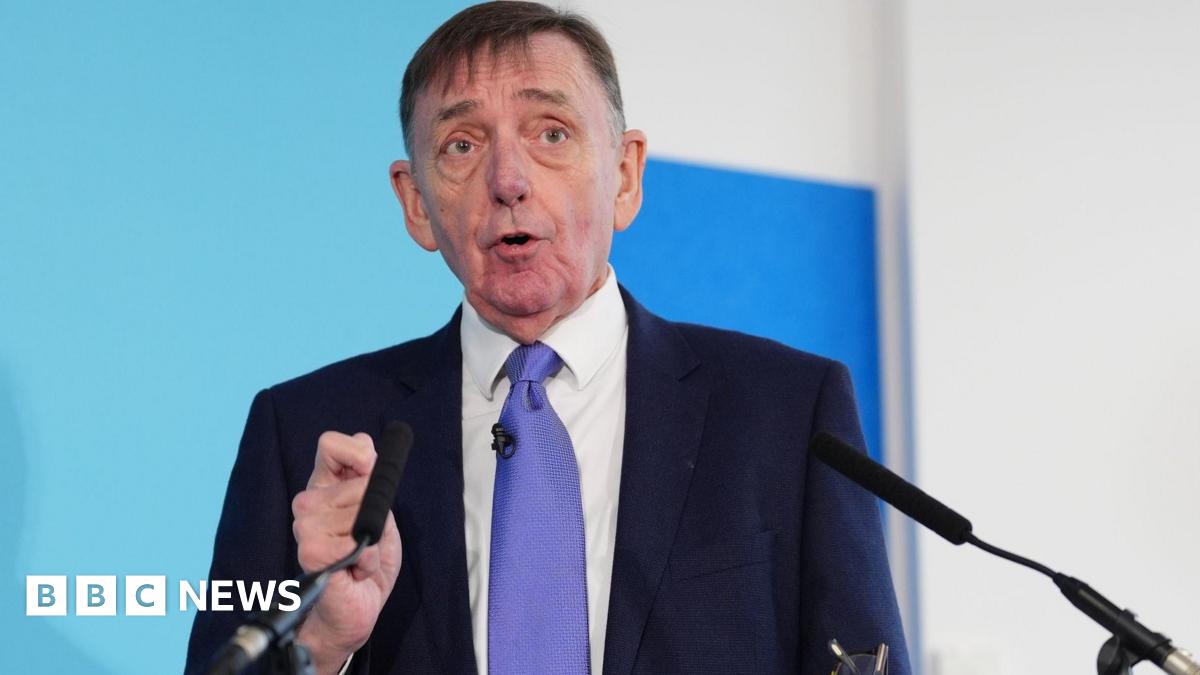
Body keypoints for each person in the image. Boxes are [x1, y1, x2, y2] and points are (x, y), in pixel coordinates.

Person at [184, 2, 911, 674]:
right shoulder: (310, 437)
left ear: (624, 175)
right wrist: (322, 645)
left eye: (551, 133)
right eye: (462, 144)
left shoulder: (786, 413)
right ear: (416, 205)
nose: (508, 179)